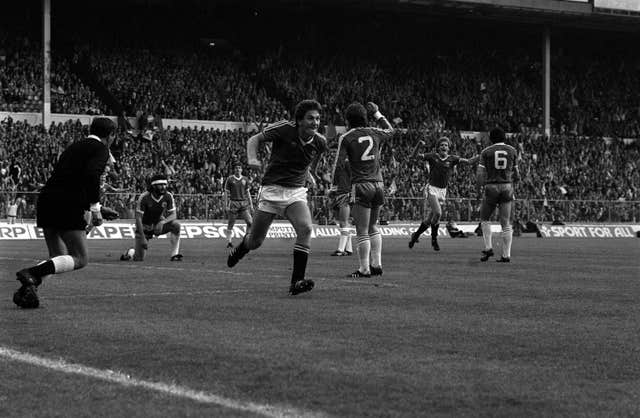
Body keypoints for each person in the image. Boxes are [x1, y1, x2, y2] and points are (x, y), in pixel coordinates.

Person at [227, 99, 327, 295]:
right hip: (271, 191)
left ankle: (296, 282)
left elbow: (316, 156)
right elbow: (253, 140)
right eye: (310, 118)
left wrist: (309, 172)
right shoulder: (284, 128)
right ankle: (241, 249)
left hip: (295, 192)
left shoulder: (319, 141)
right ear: (299, 120)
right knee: (255, 241)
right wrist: (252, 159)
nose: (315, 122)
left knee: (306, 228)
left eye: (317, 118)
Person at [13, 117, 116, 309]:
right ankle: (32, 273)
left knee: (58, 256)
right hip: (67, 204)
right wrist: (95, 209)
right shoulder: (101, 149)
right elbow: (92, 175)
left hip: (47, 200)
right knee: (80, 258)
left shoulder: (74, 147)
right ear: (110, 135)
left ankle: (26, 290)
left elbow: (70, 179)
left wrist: (100, 208)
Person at [333, 102, 394, 277]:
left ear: (348, 120)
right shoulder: (375, 132)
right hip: (379, 184)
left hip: (361, 185)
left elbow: (338, 164)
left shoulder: (347, 137)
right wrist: (378, 114)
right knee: (373, 226)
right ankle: (377, 265)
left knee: (362, 229)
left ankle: (364, 268)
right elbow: (391, 131)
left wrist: (335, 186)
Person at [408, 137, 479, 251]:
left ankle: (415, 235)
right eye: (442, 145)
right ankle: (434, 240)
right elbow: (413, 157)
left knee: (430, 219)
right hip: (432, 188)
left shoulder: (452, 159)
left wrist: (481, 156)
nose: (444, 147)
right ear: (438, 147)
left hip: (442, 191)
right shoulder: (432, 156)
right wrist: (419, 145)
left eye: (446, 145)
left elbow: (469, 161)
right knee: (438, 213)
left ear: (448, 148)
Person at [477, 127, 520, 262]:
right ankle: (506, 255)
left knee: (484, 218)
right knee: (505, 222)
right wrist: (513, 182)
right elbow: (517, 174)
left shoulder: (486, 152)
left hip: (491, 186)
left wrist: (480, 187)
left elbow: (480, 174)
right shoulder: (512, 150)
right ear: (504, 137)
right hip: (507, 186)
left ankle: (488, 248)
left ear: (491, 138)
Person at [120, 174, 183, 262]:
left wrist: (162, 222)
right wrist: (142, 238)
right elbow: (138, 219)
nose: (163, 187)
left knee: (176, 225)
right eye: (160, 185)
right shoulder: (144, 197)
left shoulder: (168, 196)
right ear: (153, 186)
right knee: (139, 259)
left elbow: (173, 215)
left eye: (165, 184)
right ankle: (131, 252)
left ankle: (175, 255)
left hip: (158, 224)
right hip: (145, 227)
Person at [223, 162, 253, 248]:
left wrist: (251, 205)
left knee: (250, 222)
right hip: (233, 203)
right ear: (234, 169)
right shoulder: (230, 179)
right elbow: (226, 193)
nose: (238, 169)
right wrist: (226, 205)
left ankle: (246, 240)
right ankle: (229, 242)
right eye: (236, 168)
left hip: (243, 203)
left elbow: (248, 193)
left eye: (239, 168)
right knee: (231, 223)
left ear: (241, 169)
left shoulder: (245, 179)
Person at [329, 153, 353, 256]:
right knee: (342, 221)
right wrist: (332, 191)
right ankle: (349, 248)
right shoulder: (338, 165)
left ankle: (340, 249)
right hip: (338, 194)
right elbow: (336, 181)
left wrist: (352, 192)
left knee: (343, 221)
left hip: (345, 193)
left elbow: (353, 177)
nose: (334, 153)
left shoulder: (347, 162)